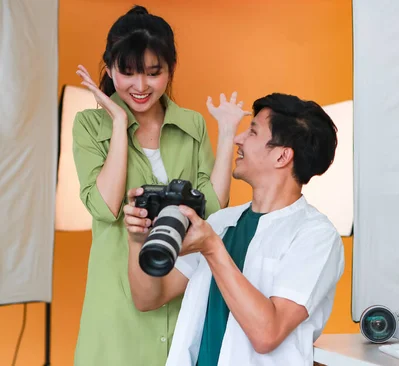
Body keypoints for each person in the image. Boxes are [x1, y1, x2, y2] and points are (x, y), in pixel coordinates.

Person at [71, 5, 248, 365]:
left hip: (181, 301)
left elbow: (211, 210)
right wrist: (118, 123)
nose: (140, 86)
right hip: (116, 313)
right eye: (128, 72)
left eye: (154, 73)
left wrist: (227, 132)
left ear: (170, 71)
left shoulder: (191, 125)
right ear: (109, 70)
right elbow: (105, 208)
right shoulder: (90, 126)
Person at [123, 93, 345, 366]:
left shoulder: (316, 236)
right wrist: (137, 240)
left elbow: (267, 333)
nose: (238, 139)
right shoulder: (220, 223)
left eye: (252, 132)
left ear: (282, 156)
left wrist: (212, 249)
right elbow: (148, 297)